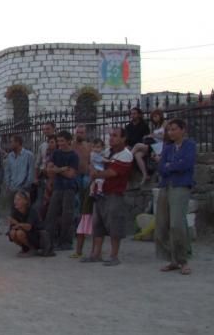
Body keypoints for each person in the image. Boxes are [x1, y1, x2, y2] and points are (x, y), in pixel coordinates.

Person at [80, 128, 133, 266]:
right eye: (110, 135)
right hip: (100, 191)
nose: (111, 138)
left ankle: (114, 256)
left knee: (114, 224)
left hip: (114, 193)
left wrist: (96, 173)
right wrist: (93, 169)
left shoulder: (126, 155)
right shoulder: (108, 152)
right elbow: (94, 163)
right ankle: (96, 254)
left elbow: (112, 172)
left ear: (123, 138)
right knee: (98, 224)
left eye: (115, 135)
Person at [155, 118, 196, 275]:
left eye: (174, 129)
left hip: (180, 186)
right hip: (166, 186)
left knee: (177, 224)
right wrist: (171, 166)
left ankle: (183, 260)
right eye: (169, 130)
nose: (171, 132)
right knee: (162, 224)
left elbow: (186, 164)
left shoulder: (189, 145)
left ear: (182, 129)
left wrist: (169, 165)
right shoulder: (168, 148)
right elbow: (161, 168)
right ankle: (172, 259)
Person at [44, 131, 79, 253]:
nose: (60, 143)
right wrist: (62, 169)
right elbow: (49, 169)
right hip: (57, 187)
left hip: (69, 188)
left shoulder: (74, 156)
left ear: (69, 141)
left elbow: (71, 174)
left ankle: (66, 242)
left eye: (62, 141)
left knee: (67, 216)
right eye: (58, 141)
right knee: (51, 214)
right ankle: (49, 240)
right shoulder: (56, 153)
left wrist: (57, 170)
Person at [133, 109, 166, 185]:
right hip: (153, 145)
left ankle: (126, 158)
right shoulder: (156, 126)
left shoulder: (165, 124)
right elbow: (154, 136)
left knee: (137, 145)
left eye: (156, 116)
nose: (154, 118)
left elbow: (165, 137)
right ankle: (145, 174)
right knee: (137, 155)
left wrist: (154, 135)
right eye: (153, 117)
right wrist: (149, 136)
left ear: (160, 116)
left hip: (160, 145)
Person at [7, 190, 43, 257]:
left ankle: (33, 249)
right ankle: (25, 248)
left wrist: (17, 224)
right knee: (12, 233)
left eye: (18, 199)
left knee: (19, 233)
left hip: (36, 236)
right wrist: (14, 226)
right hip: (27, 234)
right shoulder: (15, 212)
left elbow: (29, 227)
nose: (15, 202)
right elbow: (13, 227)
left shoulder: (32, 211)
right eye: (15, 199)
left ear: (26, 201)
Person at [3, 135, 34, 208]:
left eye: (11, 142)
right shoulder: (10, 156)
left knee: (24, 210)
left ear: (18, 143)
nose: (10, 144)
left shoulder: (29, 155)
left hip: (24, 188)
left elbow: (31, 172)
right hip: (12, 188)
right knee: (13, 210)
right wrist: (8, 185)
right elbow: (7, 172)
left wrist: (26, 186)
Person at [35, 121, 57, 208]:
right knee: (41, 201)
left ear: (54, 129)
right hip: (43, 176)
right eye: (44, 129)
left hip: (54, 176)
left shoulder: (59, 144)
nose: (46, 131)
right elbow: (37, 163)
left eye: (48, 129)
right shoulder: (42, 146)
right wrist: (36, 177)